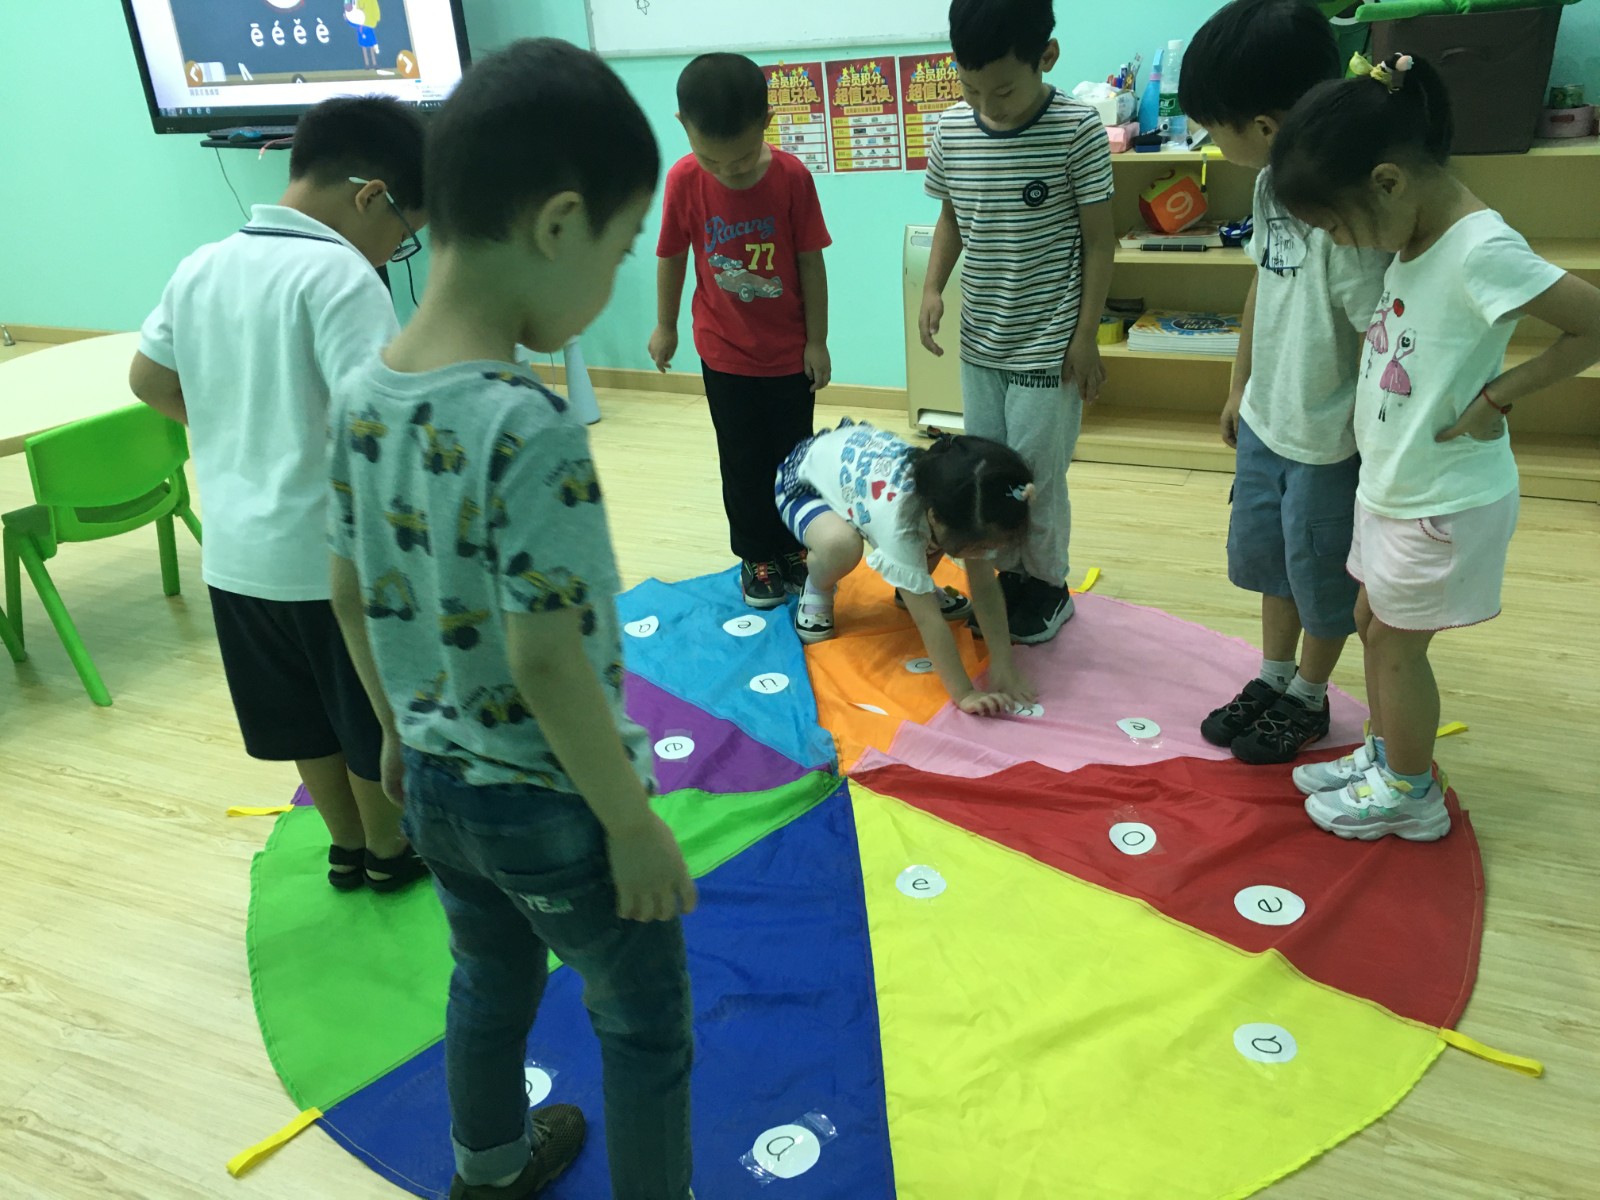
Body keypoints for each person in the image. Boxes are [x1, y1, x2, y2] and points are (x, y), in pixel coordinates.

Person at [326, 39, 698, 1200]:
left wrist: (395, 728)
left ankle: (486, 1171)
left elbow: (346, 589)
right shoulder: (527, 426)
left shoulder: (362, 393)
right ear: (558, 224)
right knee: (641, 1022)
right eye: (620, 253)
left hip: (433, 783)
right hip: (553, 805)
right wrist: (629, 822)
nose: (612, 282)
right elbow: (547, 659)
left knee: (488, 982)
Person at [1268, 52, 1600, 840]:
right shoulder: (1417, 235)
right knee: (1370, 620)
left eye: (1338, 226)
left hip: (1445, 499)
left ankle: (1411, 792)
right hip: (1397, 483)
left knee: (1395, 647)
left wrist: (1497, 398)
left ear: (1387, 182)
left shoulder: (1480, 249)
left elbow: (1592, 322)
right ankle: (1389, 756)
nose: (1343, 243)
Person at [128, 96, 429, 893]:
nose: (398, 249)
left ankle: (346, 846)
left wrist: (236, 430)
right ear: (372, 196)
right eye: (404, 233)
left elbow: (149, 380)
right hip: (326, 559)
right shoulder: (341, 275)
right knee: (362, 713)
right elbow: (373, 423)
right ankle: (390, 849)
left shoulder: (202, 264)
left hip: (234, 555)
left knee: (301, 719)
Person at [1180, 0, 1391, 765]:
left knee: (1319, 574)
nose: (1212, 142)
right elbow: (1263, 284)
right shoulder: (1271, 186)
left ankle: (1309, 692)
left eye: (1216, 129)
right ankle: (1274, 675)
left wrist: (1375, 451)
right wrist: (1239, 384)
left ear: (1266, 126)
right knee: (1272, 559)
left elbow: (1379, 341)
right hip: (1269, 420)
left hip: (1327, 440)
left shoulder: (1349, 214)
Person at [918, 0, 1116, 644]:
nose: (988, 105)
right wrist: (932, 288)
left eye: (1003, 90)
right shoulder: (951, 129)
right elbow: (951, 217)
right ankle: (1009, 578)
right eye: (971, 88)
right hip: (982, 341)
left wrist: (1084, 339)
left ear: (1046, 58)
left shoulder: (1076, 128)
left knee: (1037, 480)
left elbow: (1100, 242)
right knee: (991, 475)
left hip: (1049, 343)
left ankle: (1048, 585)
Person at [649, 52, 833, 609]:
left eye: (744, 156)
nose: (728, 171)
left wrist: (817, 340)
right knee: (742, 460)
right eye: (712, 159)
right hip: (723, 353)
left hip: (788, 356)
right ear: (683, 126)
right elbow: (671, 256)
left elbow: (810, 263)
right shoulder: (684, 181)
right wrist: (665, 325)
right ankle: (756, 556)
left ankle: (793, 546)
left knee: (794, 458)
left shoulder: (792, 178)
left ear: (767, 123)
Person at [775, 419, 1038, 715]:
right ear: (935, 516)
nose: (987, 554)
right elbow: (929, 621)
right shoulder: (900, 525)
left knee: (933, 546)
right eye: (981, 547)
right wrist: (965, 693)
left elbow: (986, 588)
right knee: (842, 546)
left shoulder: (965, 500)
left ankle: (911, 588)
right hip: (805, 483)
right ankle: (818, 585)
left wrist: (1002, 663)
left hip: (857, 474)